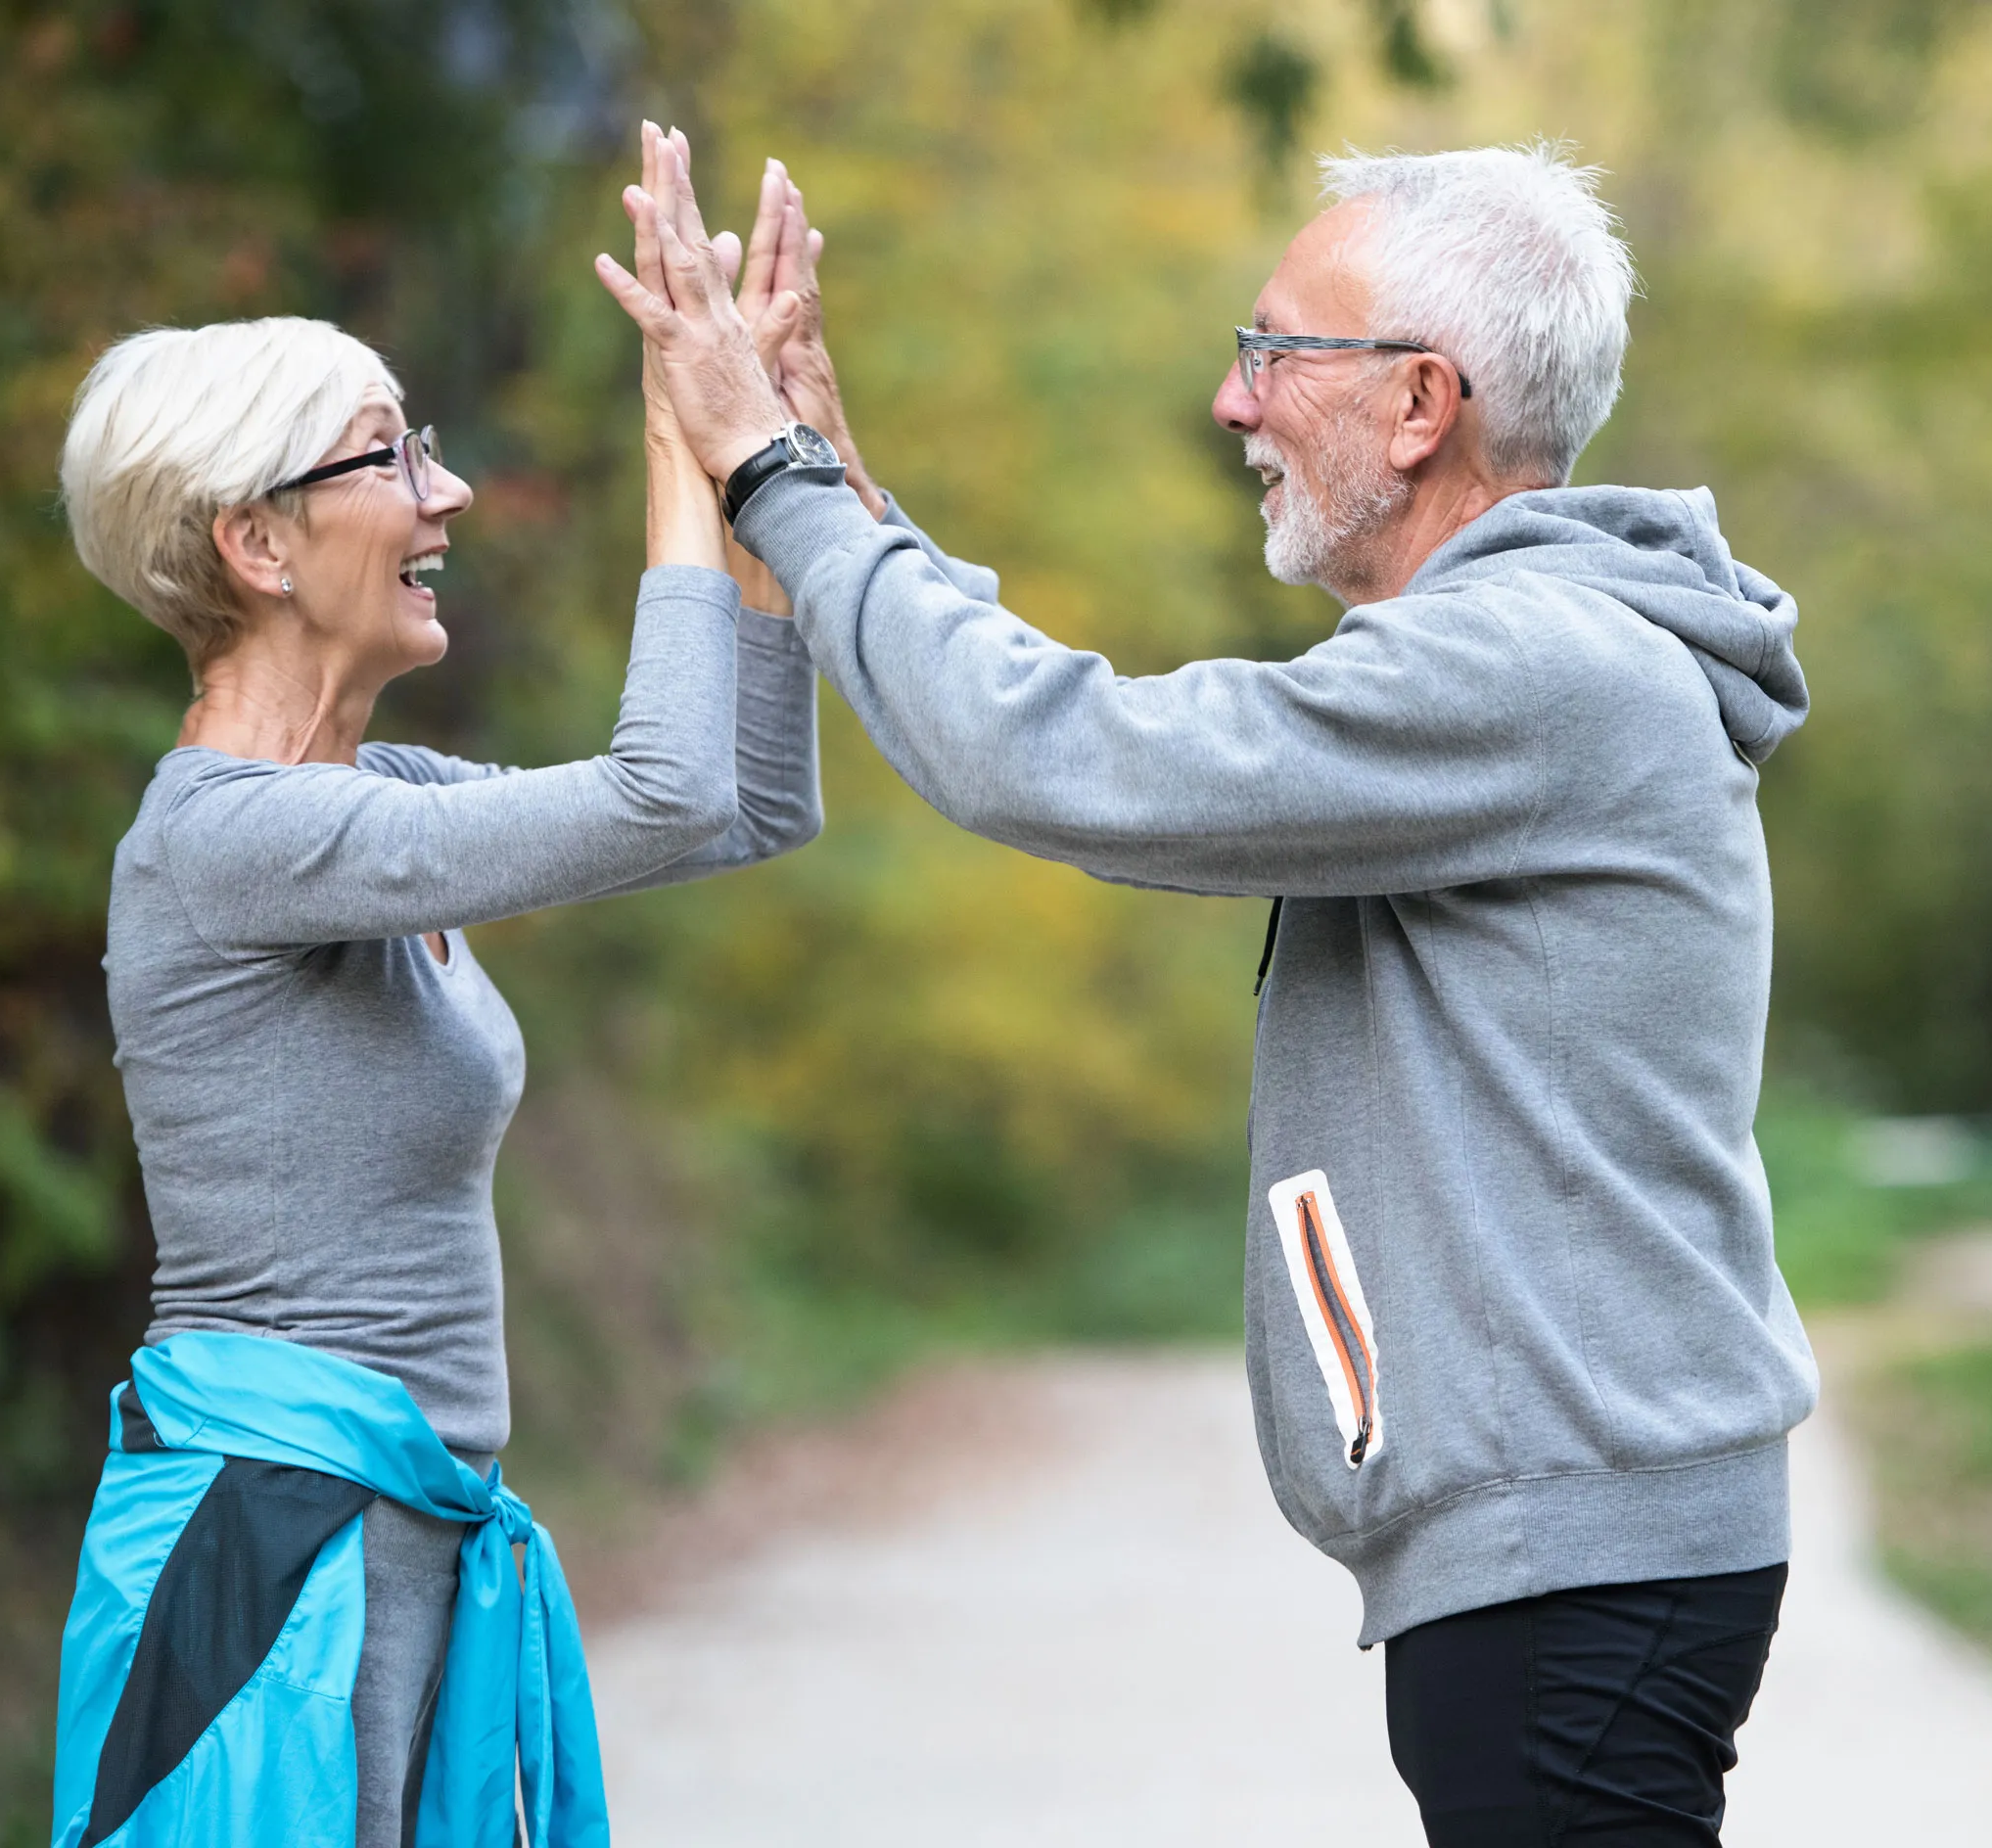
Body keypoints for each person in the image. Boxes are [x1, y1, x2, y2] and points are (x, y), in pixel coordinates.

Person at [598, 138, 1820, 1844]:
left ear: (1419, 404)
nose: (1232, 405)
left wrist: (771, 479)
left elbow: (1077, 760)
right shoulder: (1526, 661)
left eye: (1273, 351)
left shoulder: (1526, 667)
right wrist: (842, 493)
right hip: (1575, 1538)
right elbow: (1069, 734)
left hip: (1573, 1548)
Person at [46, 126, 816, 1848]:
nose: (446, 493)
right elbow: (668, 786)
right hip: (266, 1556)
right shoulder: (226, 844)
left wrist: (777, 459)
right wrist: (682, 444)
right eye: (392, 455)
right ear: (256, 541)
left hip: (396, 1536)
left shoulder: (379, 811)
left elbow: (743, 802)